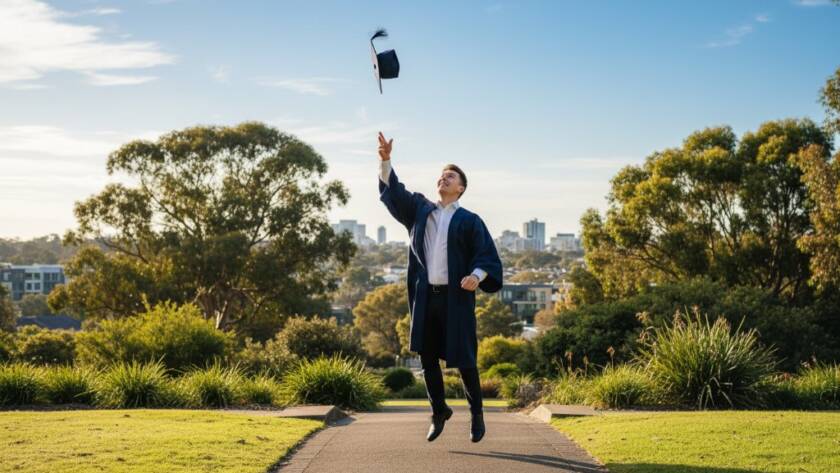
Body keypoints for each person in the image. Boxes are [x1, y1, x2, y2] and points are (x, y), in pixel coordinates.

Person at [376, 132, 503, 443]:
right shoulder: (420, 210)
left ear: (461, 188)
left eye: (451, 176)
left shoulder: (470, 220)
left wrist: (476, 276)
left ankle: (477, 414)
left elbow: (487, 256)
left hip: (455, 299)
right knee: (428, 358)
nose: (444, 178)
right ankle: (439, 411)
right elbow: (394, 192)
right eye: (442, 175)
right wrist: (385, 160)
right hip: (425, 298)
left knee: (465, 359)